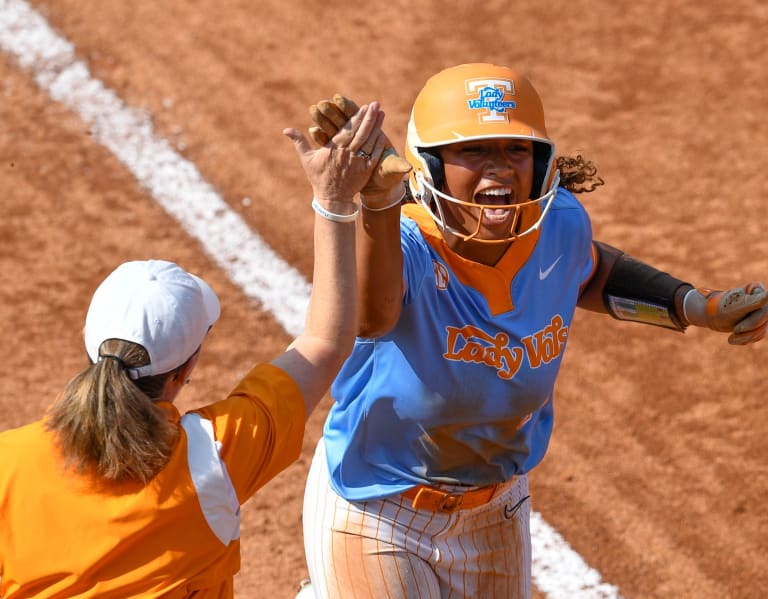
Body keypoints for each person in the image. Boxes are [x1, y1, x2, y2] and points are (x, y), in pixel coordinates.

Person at [297, 63, 768, 599]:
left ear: (541, 161)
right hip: (378, 504)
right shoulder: (405, 245)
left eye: (515, 151)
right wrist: (379, 205)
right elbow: (371, 317)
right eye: (473, 152)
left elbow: (588, 269)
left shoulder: (559, 224)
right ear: (432, 166)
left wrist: (693, 305)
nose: (499, 169)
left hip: (496, 508)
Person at [0, 103, 389, 597]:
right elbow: (325, 342)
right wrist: (333, 200)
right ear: (185, 371)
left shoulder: (7, 463)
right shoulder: (215, 456)